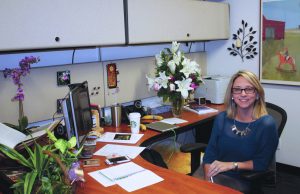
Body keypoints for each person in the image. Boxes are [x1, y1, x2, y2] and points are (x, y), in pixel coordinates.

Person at [202, 70, 278, 193]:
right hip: (213, 173)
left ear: (257, 94)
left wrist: (232, 165)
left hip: (242, 180)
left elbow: (262, 163)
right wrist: (207, 181)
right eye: (237, 89)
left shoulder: (266, 124)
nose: (243, 94)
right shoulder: (222, 118)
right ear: (232, 94)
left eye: (249, 89)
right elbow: (210, 154)